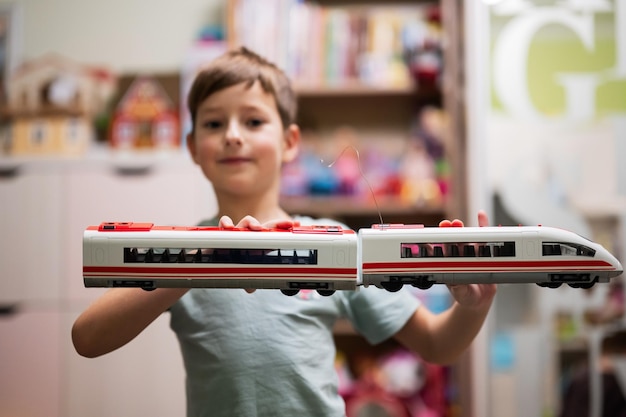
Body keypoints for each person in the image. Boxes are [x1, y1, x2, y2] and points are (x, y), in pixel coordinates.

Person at [71, 47, 496, 417]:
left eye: (253, 122)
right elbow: (87, 338)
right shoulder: (182, 249)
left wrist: (472, 307)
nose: (233, 136)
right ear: (193, 149)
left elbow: (437, 344)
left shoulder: (332, 243)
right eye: (214, 124)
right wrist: (203, 260)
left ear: (291, 141)